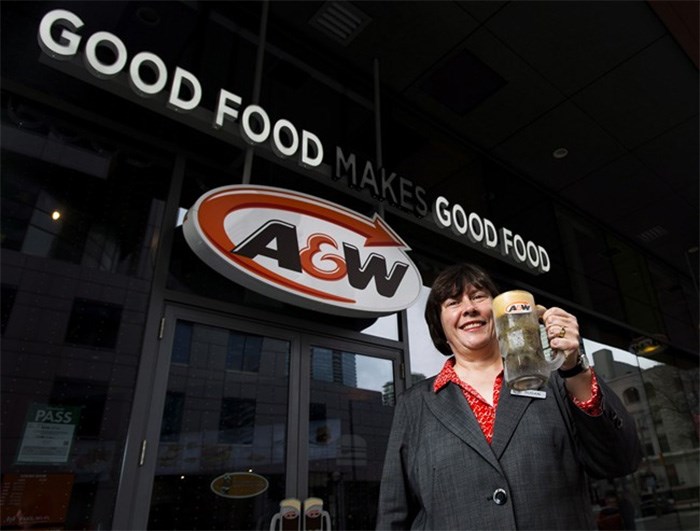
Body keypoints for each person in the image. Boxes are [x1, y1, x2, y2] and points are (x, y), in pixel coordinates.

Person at [376, 263, 641, 530]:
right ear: (439, 323)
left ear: (500, 312)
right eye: (453, 302)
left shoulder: (556, 381)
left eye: (479, 296)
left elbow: (620, 460)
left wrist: (574, 367)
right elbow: (394, 514)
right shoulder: (415, 405)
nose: (469, 308)